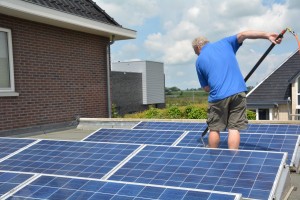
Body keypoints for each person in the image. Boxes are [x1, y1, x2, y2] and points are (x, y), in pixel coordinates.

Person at [192, 30, 282, 149]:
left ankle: (212, 154)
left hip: (218, 96)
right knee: (234, 128)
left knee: (214, 128)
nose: (197, 55)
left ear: (198, 47)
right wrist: (267, 36)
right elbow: (243, 34)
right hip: (238, 92)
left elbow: (206, 88)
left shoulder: (199, 61)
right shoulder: (225, 43)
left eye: (196, 52)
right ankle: (233, 158)